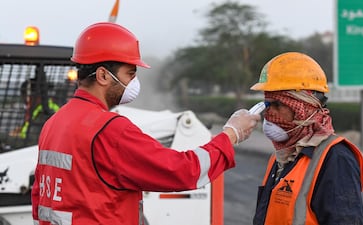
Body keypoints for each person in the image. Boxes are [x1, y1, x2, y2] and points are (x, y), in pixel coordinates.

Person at [30, 22, 261, 225]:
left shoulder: (54, 123)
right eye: (130, 74)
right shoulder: (109, 129)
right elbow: (182, 171)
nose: (134, 82)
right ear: (102, 76)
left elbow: (40, 198)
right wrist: (231, 134)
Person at [250, 52, 363, 225]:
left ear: (304, 107)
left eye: (277, 105)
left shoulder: (336, 158)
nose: (268, 113)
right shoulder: (281, 156)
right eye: (267, 104)